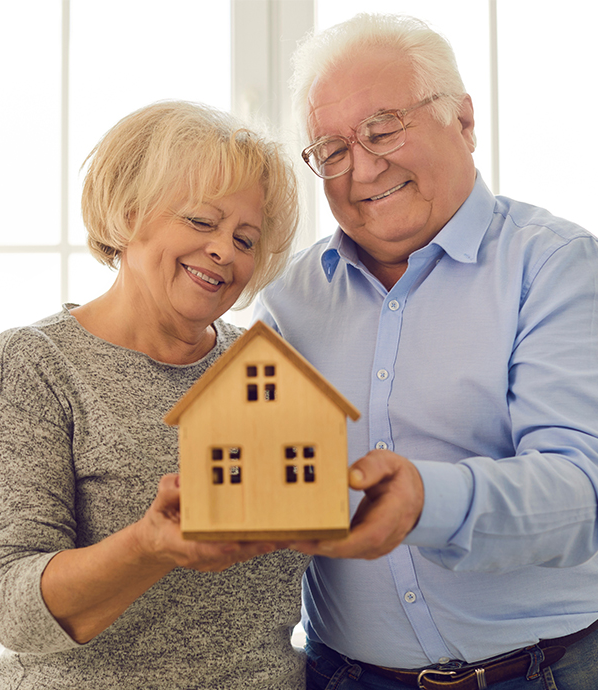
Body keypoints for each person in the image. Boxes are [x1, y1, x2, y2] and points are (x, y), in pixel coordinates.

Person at [254, 13, 598, 690]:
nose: (364, 167)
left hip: (544, 673)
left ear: (464, 121)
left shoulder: (556, 267)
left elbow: (583, 489)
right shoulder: (286, 301)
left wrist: (425, 503)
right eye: (332, 149)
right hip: (342, 675)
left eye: (383, 129)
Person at [0, 100, 309, 689]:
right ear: (128, 212)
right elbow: (10, 609)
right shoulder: (37, 364)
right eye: (200, 221)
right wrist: (149, 546)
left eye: (245, 238)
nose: (225, 251)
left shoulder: (264, 366)